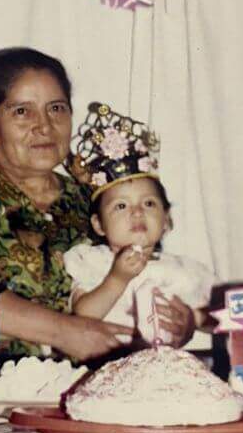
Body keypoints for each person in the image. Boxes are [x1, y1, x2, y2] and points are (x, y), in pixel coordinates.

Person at [0, 48, 196, 362]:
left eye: (56, 108)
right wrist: (66, 332)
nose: (44, 125)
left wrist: (180, 324)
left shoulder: (93, 199)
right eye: (22, 111)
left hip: (84, 384)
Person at [64, 102, 215, 348]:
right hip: (108, 369)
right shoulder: (93, 262)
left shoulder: (182, 270)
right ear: (99, 224)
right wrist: (117, 279)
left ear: (166, 221)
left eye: (148, 204)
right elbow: (83, 317)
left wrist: (193, 318)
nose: (136, 212)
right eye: (121, 206)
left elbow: (222, 317)